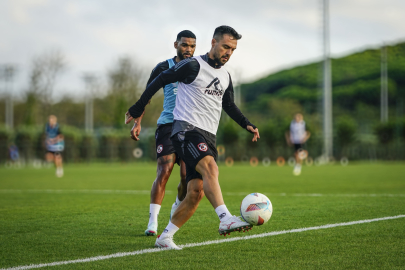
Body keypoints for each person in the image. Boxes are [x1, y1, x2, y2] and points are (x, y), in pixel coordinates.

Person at [127, 25, 260, 250]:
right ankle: (225, 218)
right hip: (185, 129)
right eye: (226, 46)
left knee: (195, 192)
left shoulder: (226, 76)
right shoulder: (192, 65)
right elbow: (160, 79)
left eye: (233, 49)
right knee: (210, 168)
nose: (229, 52)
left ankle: (165, 237)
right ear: (213, 43)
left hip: (208, 135)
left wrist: (247, 123)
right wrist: (139, 107)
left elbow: (228, 105)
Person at [125, 30, 197, 236]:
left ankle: (176, 203)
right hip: (167, 125)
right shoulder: (163, 67)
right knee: (164, 171)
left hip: (190, 128)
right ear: (176, 45)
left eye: (192, 46)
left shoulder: (196, 66)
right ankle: (153, 222)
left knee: (185, 176)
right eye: (185, 45)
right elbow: (146, 96)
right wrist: (137, 122)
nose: (189, 50)